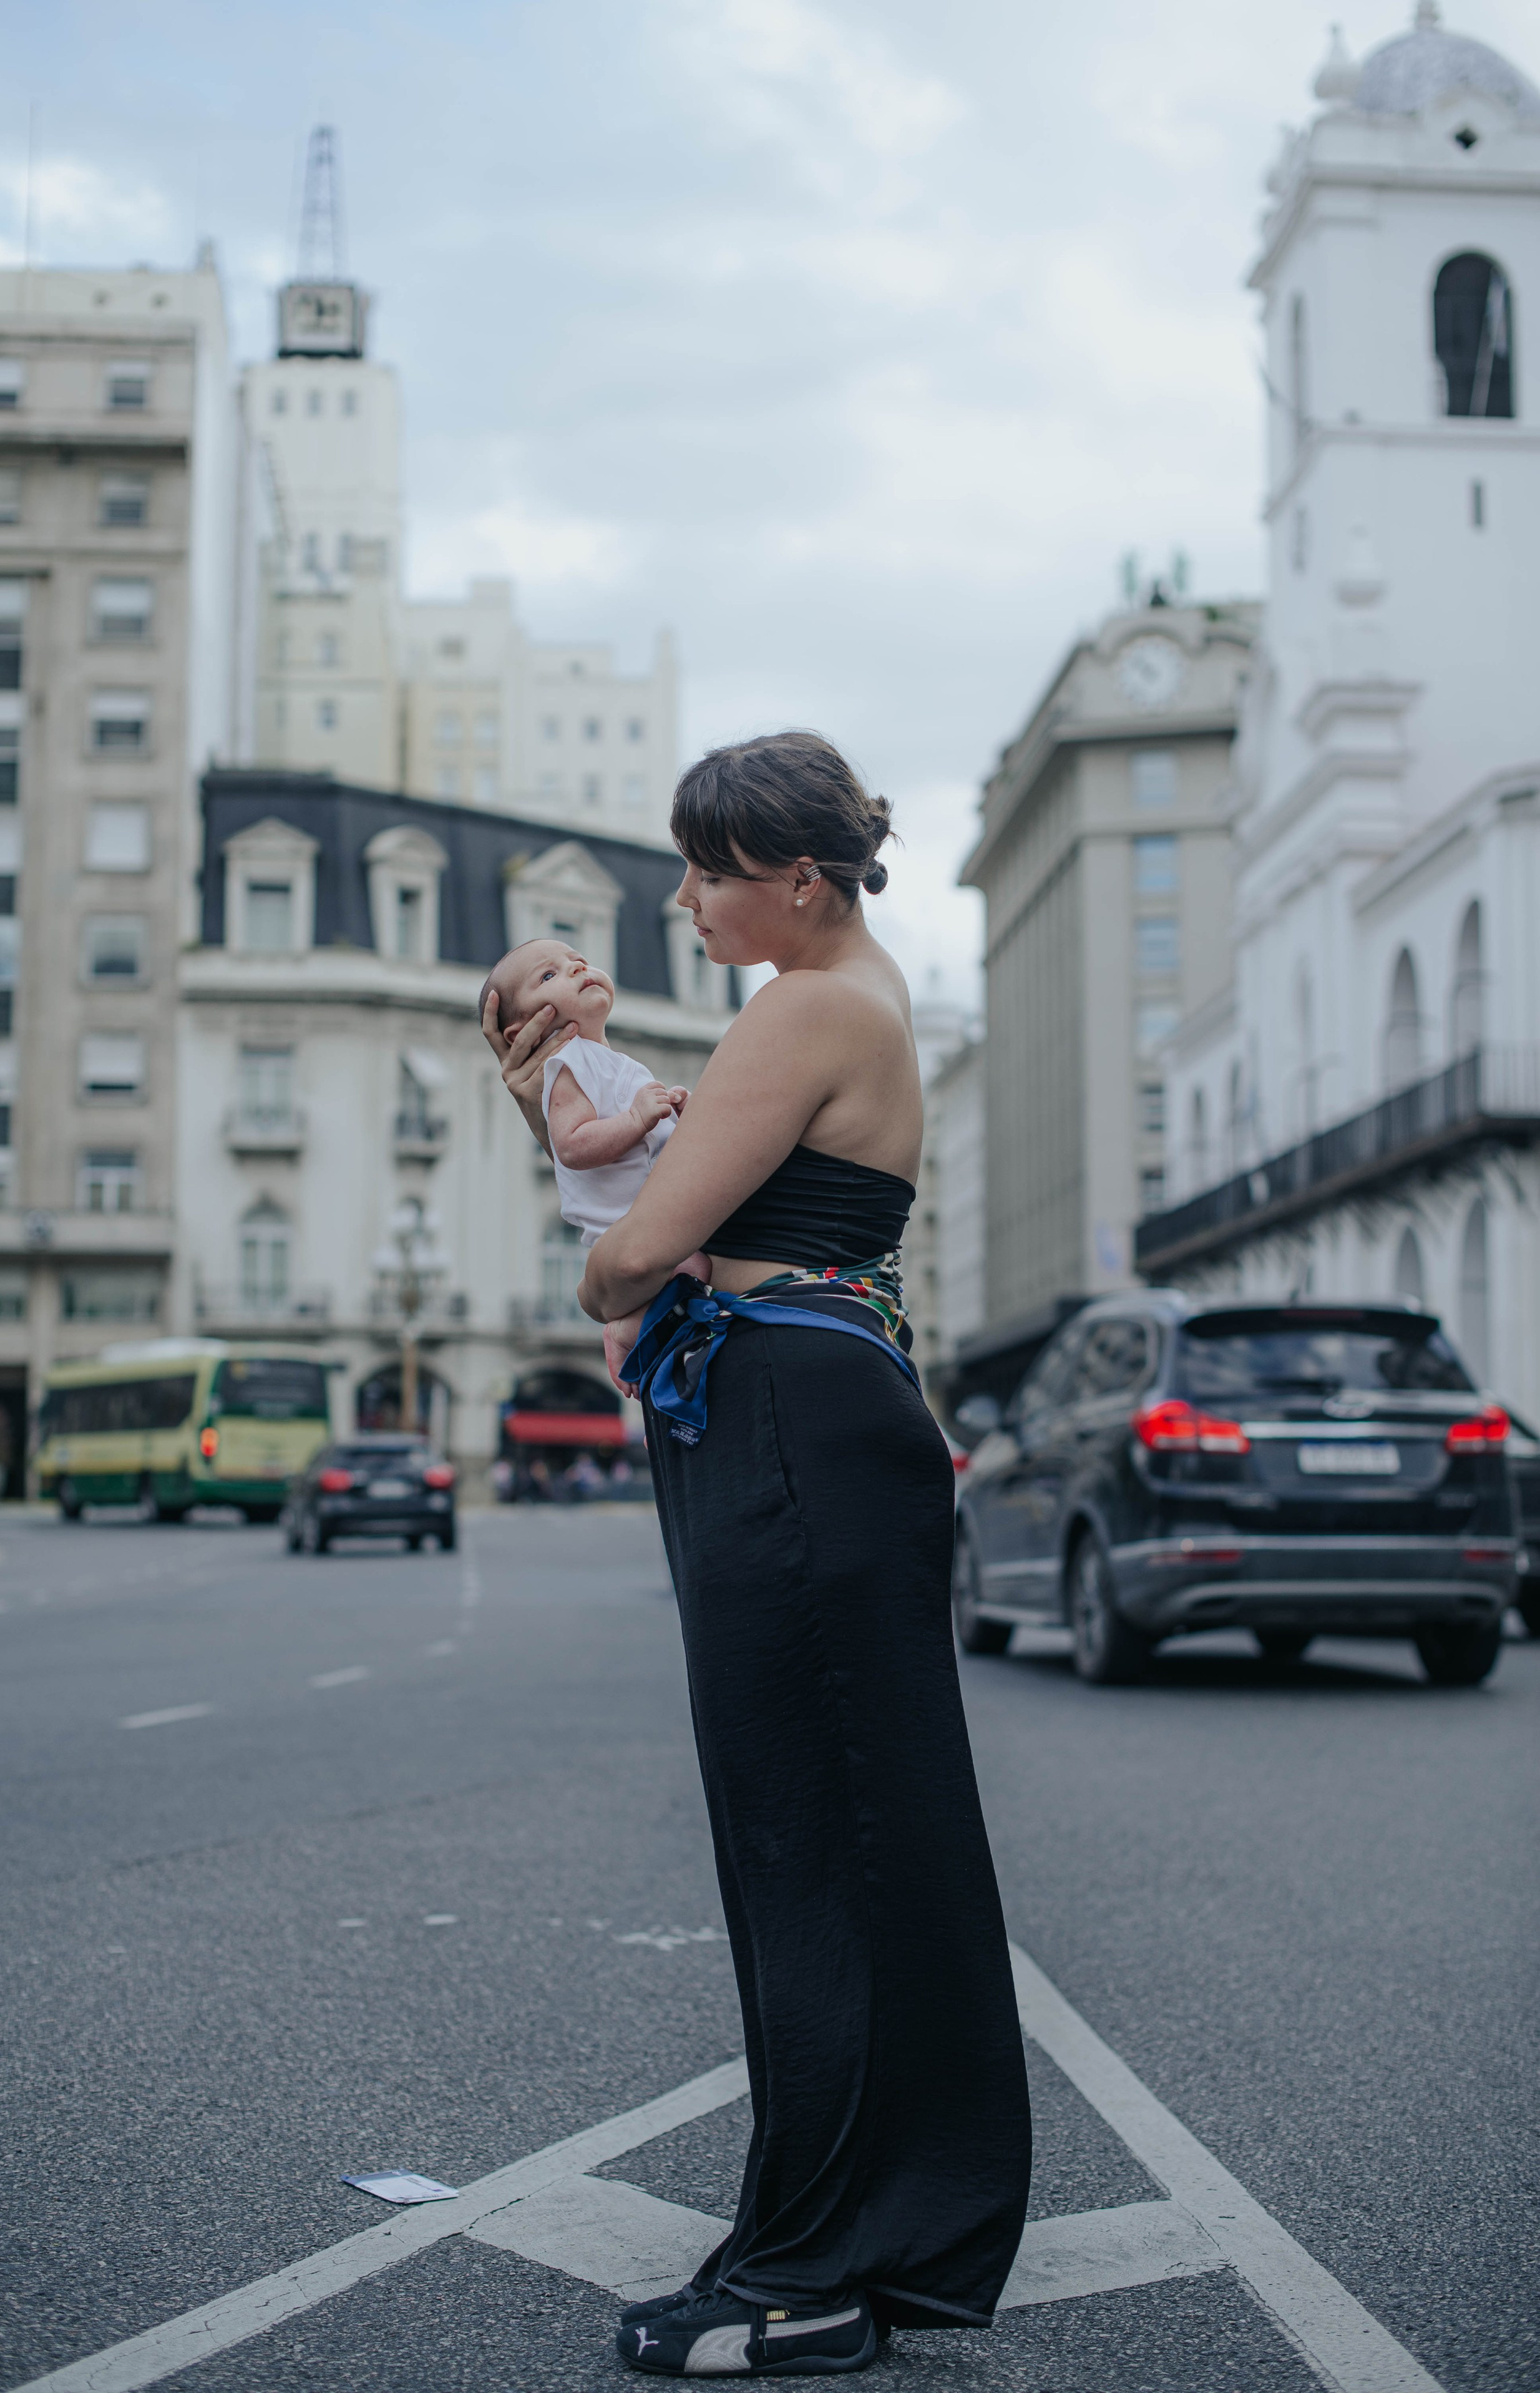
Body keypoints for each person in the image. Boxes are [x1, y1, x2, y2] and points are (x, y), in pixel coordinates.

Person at [484, 731, 1031, 2379]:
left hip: (790, 1422)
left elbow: (631, 1257)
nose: (687, 896)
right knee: (849, 1834)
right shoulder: (849, 997)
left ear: (798, 874)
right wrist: (564, 1116)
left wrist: (592, 1194)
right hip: (810, 1412)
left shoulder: (802, 1005)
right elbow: (663, 1205)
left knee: (816, 1841)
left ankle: (817, 2272)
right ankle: (852, 2238)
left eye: (710, 867)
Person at [479, 938, 710, 1381]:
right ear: (523, 1031)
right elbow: (574, 1144)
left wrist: (674, 1113)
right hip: (625, 1229)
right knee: (696, 1272)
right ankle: (626, 1331)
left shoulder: (612, 1062)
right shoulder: (569, 1062)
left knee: (693, 1289)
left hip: (651, 1223)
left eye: (577, 961)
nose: (575, 968)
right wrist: (639, 1117)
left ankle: (654, 1367)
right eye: (548, 976)